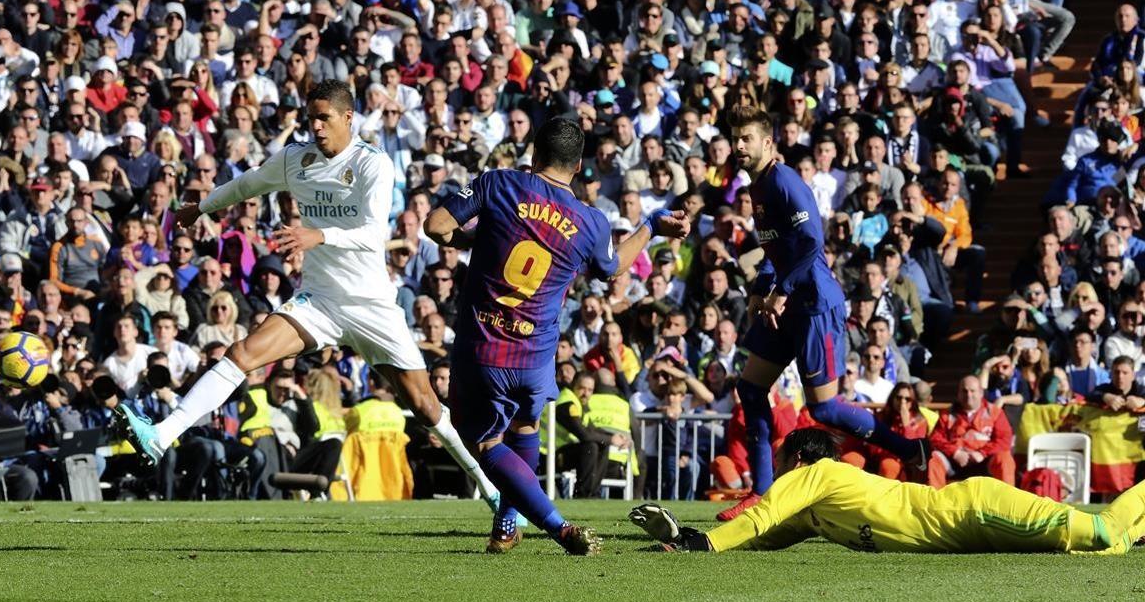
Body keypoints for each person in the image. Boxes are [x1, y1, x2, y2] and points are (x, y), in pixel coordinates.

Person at [112, 80, 502, 515]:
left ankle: (492, 489)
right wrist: (202, 207)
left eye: (324, 118)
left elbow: (375, 234)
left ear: (348, 118)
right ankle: (162, 434)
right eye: (310, 118)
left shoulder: (374, 163)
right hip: (319, 300)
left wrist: (318, 234)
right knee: (243, 352)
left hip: (371, 305)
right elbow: (248, 184)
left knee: (426, 406)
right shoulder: (297, 159)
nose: (315, 127)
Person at [424, 116, 690, 555]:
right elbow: (613, 268)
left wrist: (472, 238)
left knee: (483, 440)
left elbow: (436, 225)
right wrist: (651, 228)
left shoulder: (499, 184)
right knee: (524, 425)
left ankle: (558, 526)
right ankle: (507, 523)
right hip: (536, 356)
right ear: (579, 164)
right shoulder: (591, 221)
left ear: (533, 151)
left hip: (485, 346)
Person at [715, 106, 927, 523]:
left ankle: (909, 449)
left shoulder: (784, 181)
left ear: (767, 142)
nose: (739, 145)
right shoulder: (757, 187)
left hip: (814, 305)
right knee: (750, 390)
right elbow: (780, 249)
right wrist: (762, 288)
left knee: (824, 410)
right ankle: (760, 493)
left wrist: (780, 290)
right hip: (787, 300)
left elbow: (813, 240)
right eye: (734, 138)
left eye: (747, 138)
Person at [630, 427, 1145, 555]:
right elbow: (765, 536)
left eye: (782, 462)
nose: (778, 473)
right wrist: (684, 539)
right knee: (1105, 550)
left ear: (801, 461)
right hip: (969, 532)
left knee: (1099, 532)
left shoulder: (820, 474)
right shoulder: (816, 512)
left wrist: (704, 543)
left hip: (974, 511)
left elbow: (760, 517)